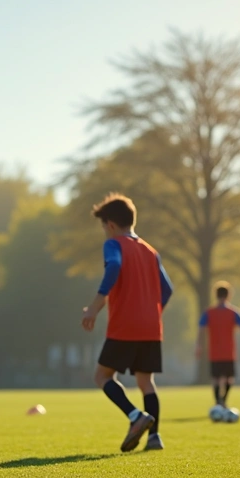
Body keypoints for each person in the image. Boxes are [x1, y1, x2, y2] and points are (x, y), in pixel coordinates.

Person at [81, 194, 173, 452]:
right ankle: (154, 437)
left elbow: (113, 268)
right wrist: (151, 312)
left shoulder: (114, 245)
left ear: (110, 224)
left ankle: (135, 416)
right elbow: (167, 289)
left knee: (102, 376)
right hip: (151, 327)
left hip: (125, 325)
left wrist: (94, 308)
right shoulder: (151, 251)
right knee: (146, 382)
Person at [196, 281, 240, 409]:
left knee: (215, 378)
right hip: (228, 352)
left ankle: (218, 402)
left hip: (214, 352)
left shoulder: (208, 313)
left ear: (216, 295)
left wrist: (199, 345)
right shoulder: (234, 312)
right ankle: (223, 401)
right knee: (229, 378)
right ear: (228, 296)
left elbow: (201, 329)